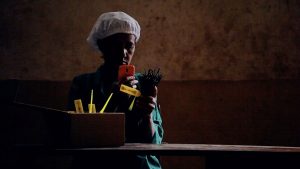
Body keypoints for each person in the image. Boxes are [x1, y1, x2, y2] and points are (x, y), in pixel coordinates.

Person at [67, 11, 163, 169]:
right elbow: (77, 135)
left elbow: (153, 143)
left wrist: (147, 116)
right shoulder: (83, 84)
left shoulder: (145, 84)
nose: (123, 53)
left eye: (129, 45)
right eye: (115, 46)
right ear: (102, 47)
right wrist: (112, 100)